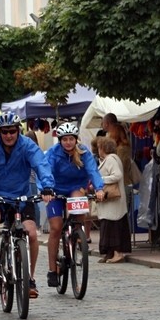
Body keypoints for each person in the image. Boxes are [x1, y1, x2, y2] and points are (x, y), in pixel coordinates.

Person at [0, 112, 55, 298]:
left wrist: (47, 185)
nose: (8, 135)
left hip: (21, 197)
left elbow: (41, 164)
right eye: (4, 132)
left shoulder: (27, 145)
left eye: (12, 131)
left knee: (31, 233)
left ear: (18, 130)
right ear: (0, 132)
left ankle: (30, 278)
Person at [44, 122, 104, 286]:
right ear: (60, 140)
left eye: (71, 139)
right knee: (56, 227)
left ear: (76, 139)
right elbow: (45, 172)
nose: (68, 142)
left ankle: (77, 234)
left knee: (78, 208)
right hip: (55, 190)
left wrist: (99, 188)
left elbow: (93, 171)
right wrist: (46, 190)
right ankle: (52, 270)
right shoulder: (53, 153)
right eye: (65, 139)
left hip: (76, 188)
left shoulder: (84, 152)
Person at [96, 137, 131, 263]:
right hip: (110, 204)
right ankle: (109, 253)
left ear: (103, 148)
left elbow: (117, 175)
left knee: (113, 226)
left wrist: (101, 180)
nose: (98, 150)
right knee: (108, 226)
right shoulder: (108, 159)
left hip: (113, 202)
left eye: (99, 147)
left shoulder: (111, 159)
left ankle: (117, 253)